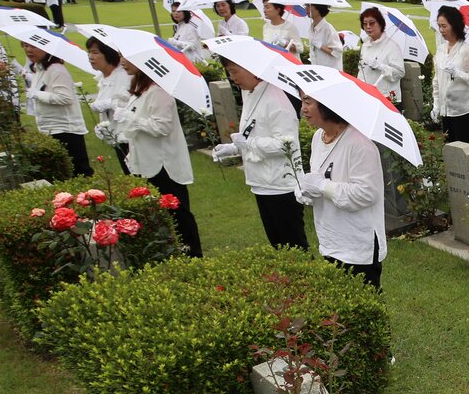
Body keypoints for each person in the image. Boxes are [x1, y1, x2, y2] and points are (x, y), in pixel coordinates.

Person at [210, 59, 308, 250]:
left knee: (294, 247)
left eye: (234, 71)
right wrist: (232, 148)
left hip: (280, 185)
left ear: (252, 68)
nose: (232, 78)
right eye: (229, 72)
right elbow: (251, 132)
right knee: (278, 244)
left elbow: (287, 144)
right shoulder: (251, 93)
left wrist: (248, 143)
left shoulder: (276, 99)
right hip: (261, 182)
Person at [112, 60, 203, 257]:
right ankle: (171, 253)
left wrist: (130, 118)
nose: (122, 62)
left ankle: (192, 255)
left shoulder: (158, 92)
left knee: (178, 214)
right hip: (147, 163)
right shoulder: (140, 89)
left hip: (164, 166)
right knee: (160, 214)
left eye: (125, 57)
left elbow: (161, 127)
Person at [295, 96, 386, 288]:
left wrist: (321, 186)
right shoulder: (318, 138)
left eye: (308, 102)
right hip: (331, 237)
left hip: (357, 244)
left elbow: (366, 193)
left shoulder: (360, 144)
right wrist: (307, 190)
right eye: (302, 102)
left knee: (363, 304)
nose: (303, 108)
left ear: (327, 105)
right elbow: (319, 179)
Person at [21, 40, 93, 176]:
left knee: (78, 171)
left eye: (33, 46)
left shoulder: (56, 70)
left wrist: (37, 94)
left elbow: (65, 98)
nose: (28, 50)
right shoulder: (39, 68)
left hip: (66, 130)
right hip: (50, 128)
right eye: (25, 46)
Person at [431, 5, 469, 144]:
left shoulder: (466, 50)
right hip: (445, 112)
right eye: (439, 26)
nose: (441, 30)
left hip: (463, 112)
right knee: (449, 151)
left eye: (444, 26)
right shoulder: (441, 50)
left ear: (454, 25)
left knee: (464, 152)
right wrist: (436, 104)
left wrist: (458, 73)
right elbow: (437, 80)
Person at [86, 37, 133, 174]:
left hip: (128, 137)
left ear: (108, 54)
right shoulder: (104, 77)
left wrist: (107, 104)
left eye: (95, 53)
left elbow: (129, 103)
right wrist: (102, 126)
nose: (91, 57)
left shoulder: (124, 75)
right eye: (89, 52)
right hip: (116, 137)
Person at [357, 6, 405, 102]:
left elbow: (400, 73)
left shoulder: (392, 46)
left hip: (386, 97)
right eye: (365, 24)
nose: (368, 27)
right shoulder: (365, 45)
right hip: (367, 94)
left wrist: (380, 66)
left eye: (372, 23)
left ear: (380, 24)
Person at [307, 3, 343, 70]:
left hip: (330, 71)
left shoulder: (328, 29)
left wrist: (320, 45)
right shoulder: (311, 28)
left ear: (318, 8)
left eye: (309, 5)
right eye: (306, 5)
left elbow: (337, 52)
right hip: (317, 70)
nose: (306, 8)